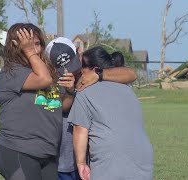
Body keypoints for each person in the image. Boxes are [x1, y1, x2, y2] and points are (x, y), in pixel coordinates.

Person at [45, 38, 138, 180]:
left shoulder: (88, 70)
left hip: (89, 160)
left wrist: (99, 74)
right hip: (61, 160)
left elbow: (131, 74)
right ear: (51, 65)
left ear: (77, 52)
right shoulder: (48, 82)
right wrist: (69, 91)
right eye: (62, 67)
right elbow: (59, 109)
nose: (69, 71)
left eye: (72, 64)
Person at [0, 23, 75, 180]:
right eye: (30, 44)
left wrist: (70, 91)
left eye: (37, 44)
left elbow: (62, 106)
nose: (36, 49)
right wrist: (29, 51)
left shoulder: (50, 72)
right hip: (17, 151)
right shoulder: (11, 72)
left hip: (48, 154)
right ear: (16, 46)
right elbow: (43, 80)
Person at [68, 46, 154, 180]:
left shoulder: (84, 92)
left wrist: (81, 163)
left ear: (91, 70)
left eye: (81, 67)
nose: (79, 72)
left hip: (110, 159)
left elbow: (80, 129)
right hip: (143, 156)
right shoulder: (127, 89)